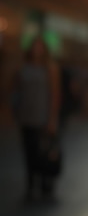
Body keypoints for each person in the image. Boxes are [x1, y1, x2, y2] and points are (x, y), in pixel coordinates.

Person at [11, 36, 61, 201]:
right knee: (29, 152)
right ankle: (31, 185)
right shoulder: (23, 67)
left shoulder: (50, 68)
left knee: (43, 152)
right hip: (26, 116)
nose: (36, 50)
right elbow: (16, 90)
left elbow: (54, 95)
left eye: (40, 47)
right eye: (34, 46)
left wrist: (52, 119)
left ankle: (45, 184)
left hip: (42, 116)